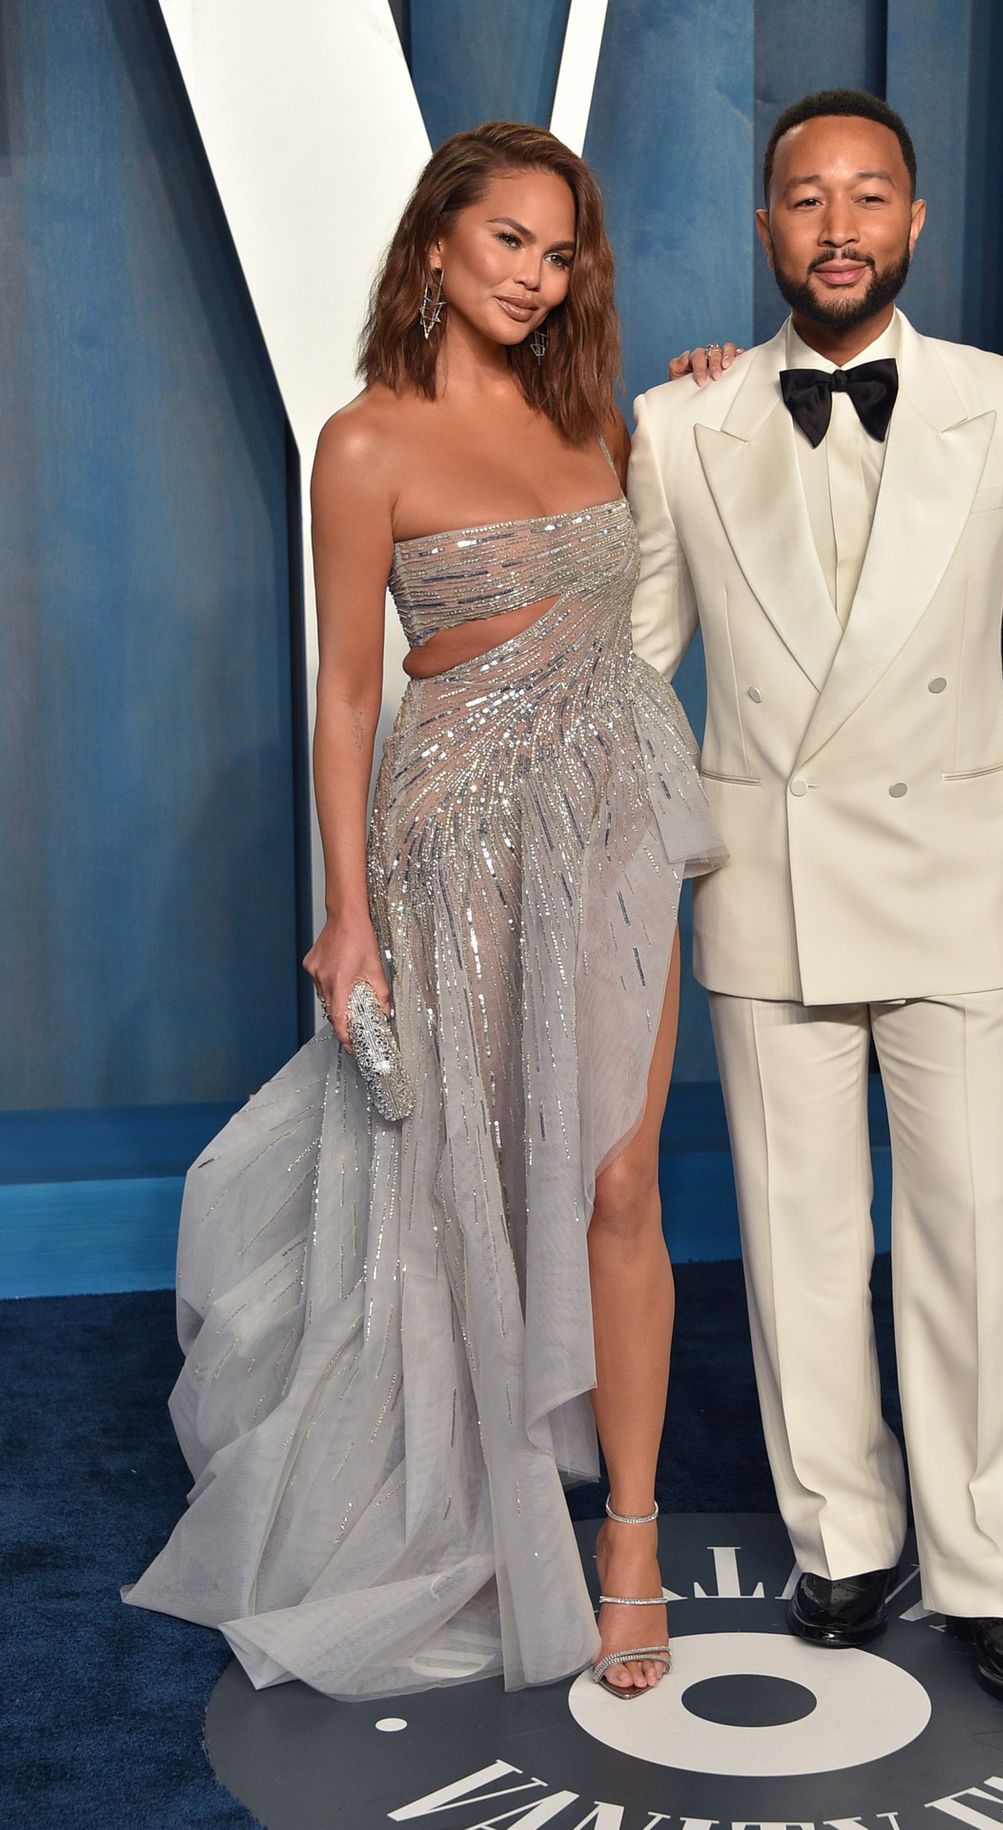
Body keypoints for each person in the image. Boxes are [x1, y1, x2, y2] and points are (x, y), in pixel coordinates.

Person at [122, 121, 724, 1702]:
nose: (537, 272)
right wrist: (349, 913)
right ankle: (473, 1487)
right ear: (438, 244)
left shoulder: (605, 415)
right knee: (471, 1173)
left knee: (616, 1173)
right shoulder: (364, 443)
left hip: (618, 818)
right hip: (451, 844)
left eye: (560, 245)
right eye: (509, 239)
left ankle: (633, 1539)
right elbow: (342, 694)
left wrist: (721, 383)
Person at [628, 89, 1003, 1708]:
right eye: (804, 198)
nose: (836, 225)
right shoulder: (678, 423)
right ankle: (842, 1532)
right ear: (765, 229)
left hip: (969, 881)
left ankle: (992, 1566)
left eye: (869, 197)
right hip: (764, 887)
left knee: (972, 1231)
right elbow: (638, 676)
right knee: (799, 1235)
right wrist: (624, 875)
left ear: (914, 224)